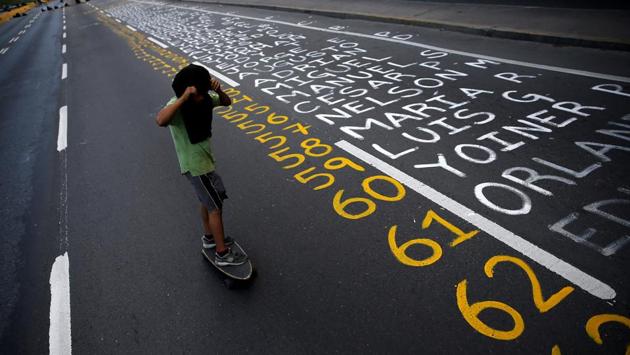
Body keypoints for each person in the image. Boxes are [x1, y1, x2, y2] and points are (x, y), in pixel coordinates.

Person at [156, 64, 247, 266]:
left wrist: (218, 90)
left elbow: (227, 102)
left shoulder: (205, 98)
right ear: (189, 91)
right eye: (201, 91)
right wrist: (183, 98)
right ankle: (222, 254)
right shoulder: (178, 105)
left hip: (206, 162)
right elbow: (160, 120)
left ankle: (209, 239)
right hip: (195, 166)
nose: (203, 95)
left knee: (210, 200)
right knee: (215, 208)